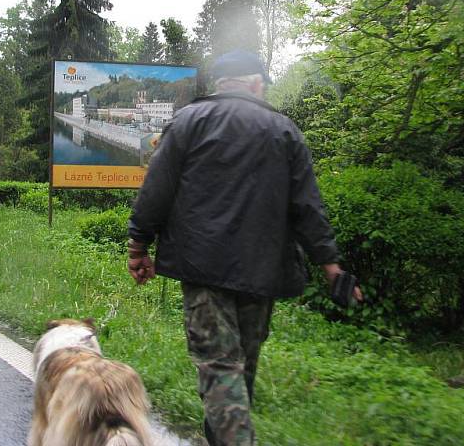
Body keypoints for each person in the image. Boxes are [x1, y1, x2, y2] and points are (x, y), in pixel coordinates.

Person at [127, 50, 362, 446]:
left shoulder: (187, 122)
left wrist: (138, 247)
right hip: (262, 272)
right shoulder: (284, 130)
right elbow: (307, 207)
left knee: (221, 371)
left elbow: (156, 191)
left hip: (202, 269)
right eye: (264, 84)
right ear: (254, 83)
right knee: (240, 373)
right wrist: (331, 267)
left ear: (222, 84)